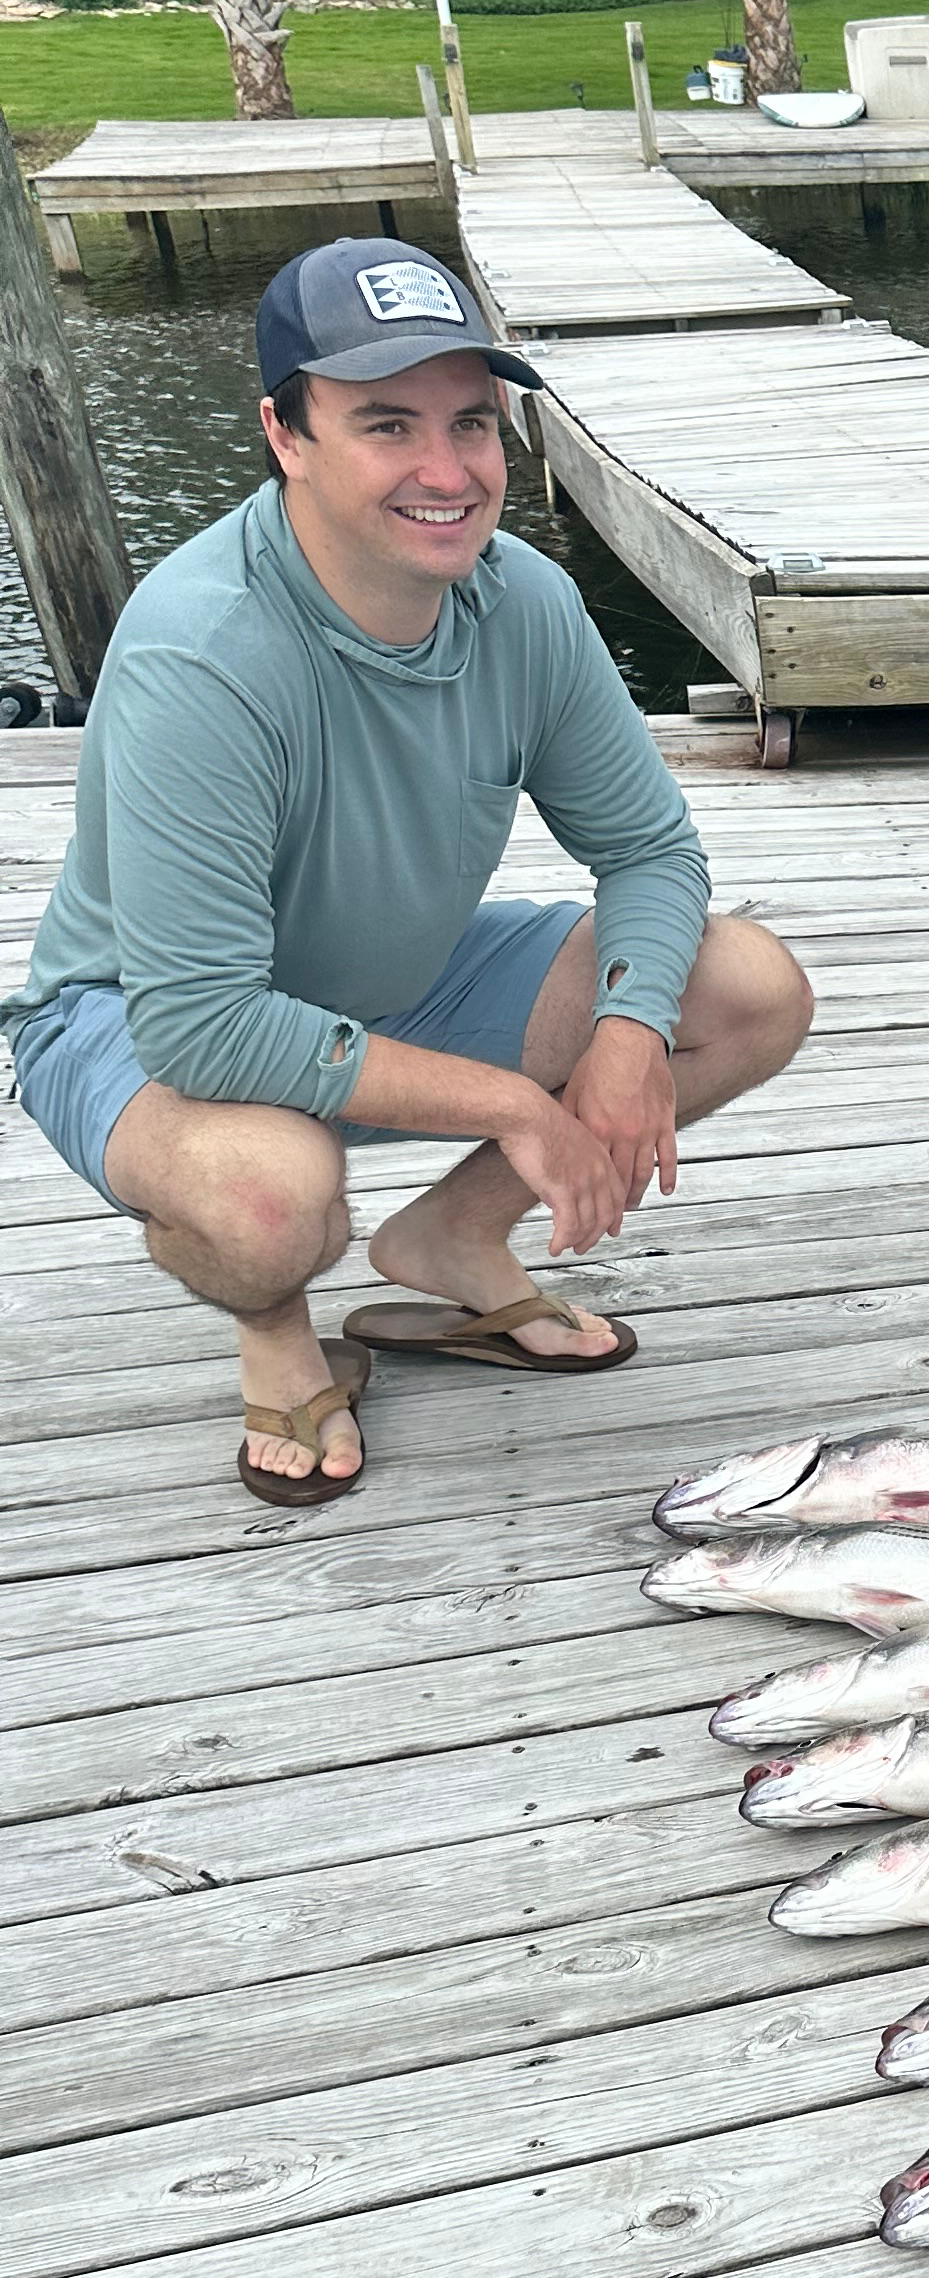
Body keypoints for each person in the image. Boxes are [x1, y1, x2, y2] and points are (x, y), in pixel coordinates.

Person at [5, 240, 813, 1507]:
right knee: (270, 1199)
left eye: (471, 423)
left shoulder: (524, 601)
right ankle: (277, 1328)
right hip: (139, 1021)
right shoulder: (200, 651)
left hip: (395, 980)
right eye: (388, 424)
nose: (448, 472)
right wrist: (522, 1109)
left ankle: (451, 1234)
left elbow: (650, 849)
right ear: (286, 435)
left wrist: (627, 1030)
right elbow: (203, 1021)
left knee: (747, 987)